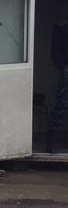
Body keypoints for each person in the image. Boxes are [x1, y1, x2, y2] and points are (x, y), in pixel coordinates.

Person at [47, 11, 68, 154]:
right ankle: (51, 143)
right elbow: (55, 52)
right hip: (67, 71)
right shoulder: (62, 25)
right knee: (61, 107)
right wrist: (63, 69)